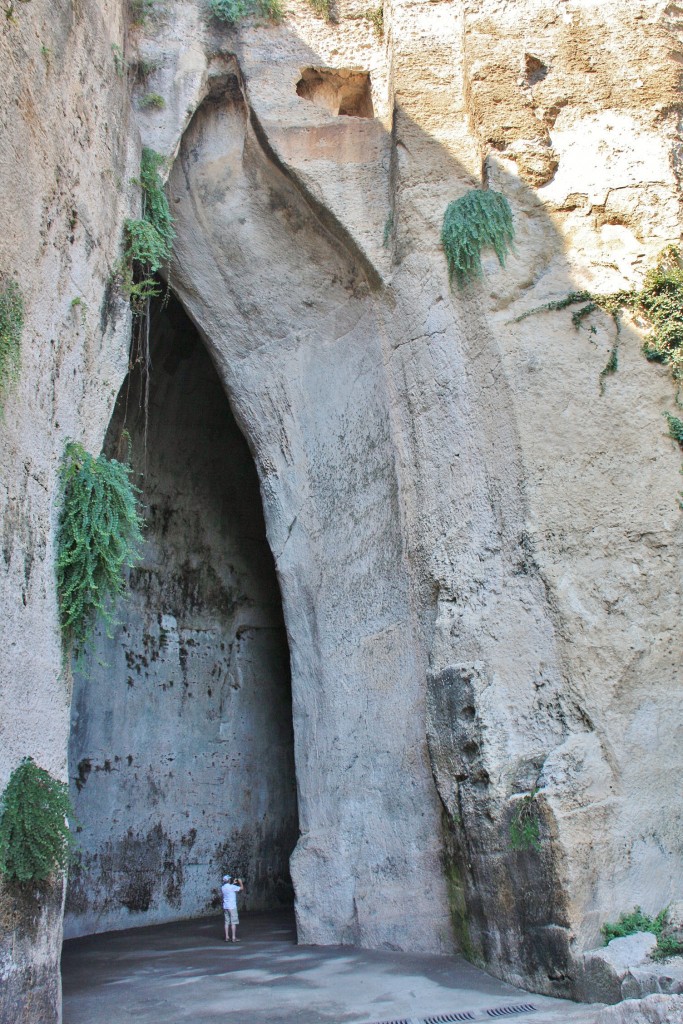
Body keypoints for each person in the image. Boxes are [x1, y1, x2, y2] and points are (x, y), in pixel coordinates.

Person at [221, 873, 244, 943]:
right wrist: (240, 882)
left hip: (226, 906)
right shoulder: (232, 887)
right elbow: (241, 888)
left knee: (226, 922)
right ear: (229, 880)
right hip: (232, 907)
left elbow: (229, 887)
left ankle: (227, 937)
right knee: (233, 922)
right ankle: (233, 937)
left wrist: (233, 883)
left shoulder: (223, 887)